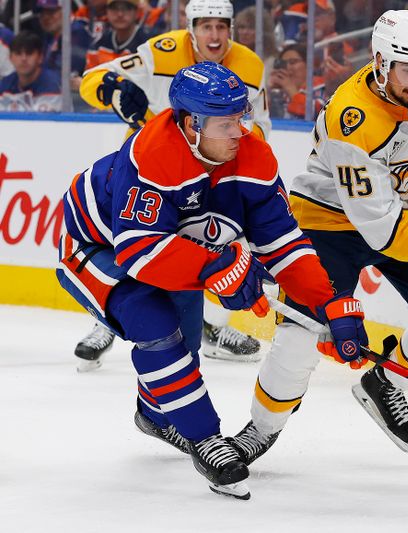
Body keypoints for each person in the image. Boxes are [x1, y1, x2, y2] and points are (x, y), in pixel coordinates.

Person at [56, 61, 367, 498]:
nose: (241, 130)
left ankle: (155, 416)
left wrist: (328, 304)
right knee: (156, 327)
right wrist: (214, 268)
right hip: (94, 247)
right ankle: (204, 438)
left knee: (183, 344)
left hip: (172, 246)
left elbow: (282, 242)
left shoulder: (252, 154)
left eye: (243, 116)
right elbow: (137, 251)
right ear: (191, 124)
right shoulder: (153, 154)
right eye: (227, 122)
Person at [226, 8, 408, 464]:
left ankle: (385, 383)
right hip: (330, 221)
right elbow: (383, 229)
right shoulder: (351, 121)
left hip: (407, 208)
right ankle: (261, 428)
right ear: (380, 62)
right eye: (407, 69)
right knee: (302, 334)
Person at [74, 0, 271, 366]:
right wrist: (114, 91)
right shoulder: (162, 52)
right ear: (190, 27)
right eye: (206, 26)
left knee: (223, 240)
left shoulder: (249, 65)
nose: (214, 35)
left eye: (221, 26)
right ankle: (105, 322)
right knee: (131, 243)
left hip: (211, 172)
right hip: (149, 173)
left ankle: (212, 327)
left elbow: (260, 127)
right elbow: (93, 78)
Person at [0, 31, 61, 111]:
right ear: (10, 58)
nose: (23, 59)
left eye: (29, 53)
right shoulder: (6, 83)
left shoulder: (52, 84)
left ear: (40, 57)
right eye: (18, 53)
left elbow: (43, 121)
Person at [84, 0, 150, 71]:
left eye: (126, 8)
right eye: (114, 8)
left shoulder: (148, 43)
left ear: (137, 13)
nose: (120, 14)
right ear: (107, 12)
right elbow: (89, 75)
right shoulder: (100, 43)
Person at [267, 43, 324, 119]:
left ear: (309, 64)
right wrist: (269, 92)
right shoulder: (280, 92)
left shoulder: (323, 87)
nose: (288, 67)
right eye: (284, 64)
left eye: (293, 62)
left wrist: (290, 89)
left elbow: (317, 113)